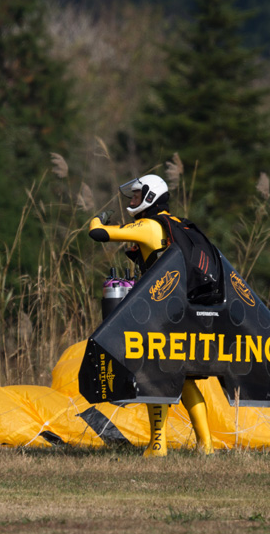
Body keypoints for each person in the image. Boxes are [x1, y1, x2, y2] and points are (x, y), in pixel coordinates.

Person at [88, 174, 214, 457]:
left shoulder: (147, 224)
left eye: (135, 196)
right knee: (186, 378)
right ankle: (206, 445)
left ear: (150, 197)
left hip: (160, 314)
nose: (131, 201)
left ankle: (158, 445)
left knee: (154, 376)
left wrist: (99, 217)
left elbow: (98, 234)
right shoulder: (176, 223)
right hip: (185, 309)